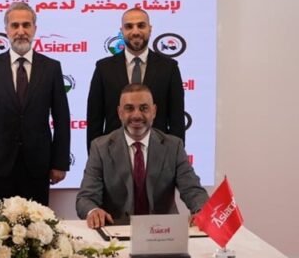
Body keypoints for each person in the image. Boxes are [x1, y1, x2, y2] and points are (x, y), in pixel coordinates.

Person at [0, 2, 70, 205]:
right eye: (15, 25)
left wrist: (60, 163)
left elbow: (62, 119)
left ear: (35, 29)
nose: (21, 31)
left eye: (26, 25)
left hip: (39, 166)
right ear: (6, 30)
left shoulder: (51, 68)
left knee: (38, 222)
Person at [77, 83, 207, 228]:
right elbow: (85, 198)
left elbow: (192, 190)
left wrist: (201, 211)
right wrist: (93, 211)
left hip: (164, 232)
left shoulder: (174, 146)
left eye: (144, 108)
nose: (137, 115)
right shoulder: (100, 148)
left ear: (154, 111)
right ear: (120, 113)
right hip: (116, 231)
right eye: (129, 108)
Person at [86, 7, 188, 151]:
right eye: (129, 26)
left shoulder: (169, 68)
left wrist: (175, 157)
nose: (135, 32)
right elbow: (94, 121)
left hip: (159, 155)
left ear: (150, 29)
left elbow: (177, 120)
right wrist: (96, 158)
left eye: (141, 25)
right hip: (113, 155)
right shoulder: (104, 68)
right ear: (122, 31)